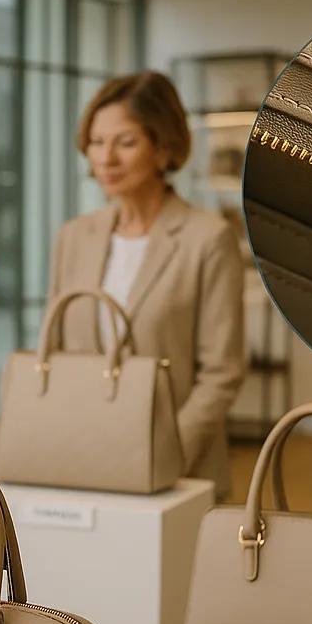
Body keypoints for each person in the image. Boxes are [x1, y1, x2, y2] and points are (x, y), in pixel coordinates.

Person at [48, 72, 246, 496]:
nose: (106, 158)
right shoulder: (73, 237)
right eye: (97, 143)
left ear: (164, 148)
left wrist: (166, 455)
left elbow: (222, 372)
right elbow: (59, 351)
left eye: (125, 142)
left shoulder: (208, 238)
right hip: (82, 461)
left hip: (178, 474)